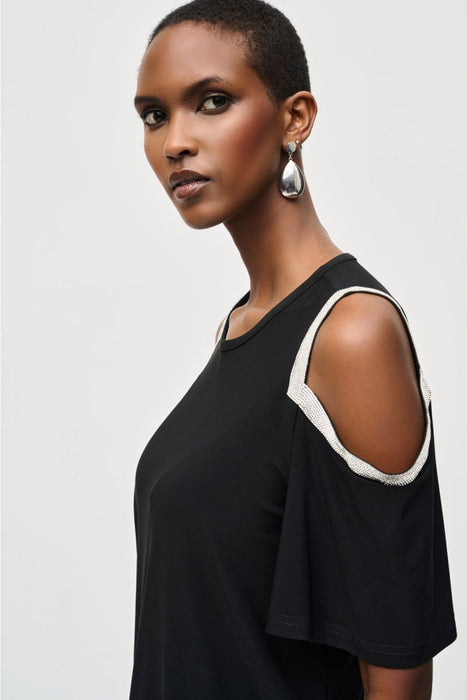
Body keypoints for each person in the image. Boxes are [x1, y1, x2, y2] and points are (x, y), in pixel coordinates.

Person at [129, 1, 457, 698]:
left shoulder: (349, 333)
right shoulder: (242, 325)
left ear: (294, 118)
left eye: (211, 102)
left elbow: (396, 666)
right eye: (154, 116)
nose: (175, 142)